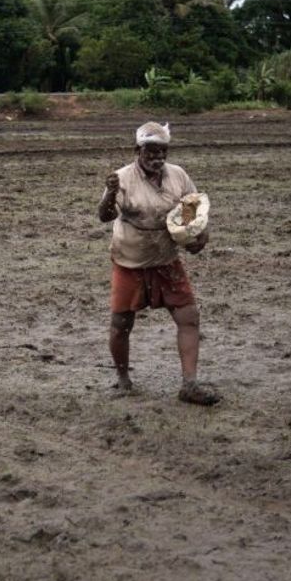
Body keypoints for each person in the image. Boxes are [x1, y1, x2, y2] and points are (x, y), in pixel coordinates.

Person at [97, 122, 219, 406]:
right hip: (131, 260)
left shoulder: (178, 176)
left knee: (189, 317)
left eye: (162, 151)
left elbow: (191, 210)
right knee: (121, 324)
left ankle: (189, 384)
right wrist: (108, 193)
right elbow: (104, 216)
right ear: (137, 150)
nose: (157, 157)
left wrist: (198, 236)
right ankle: (123, 379)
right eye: (151, 151)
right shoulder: (121, 179)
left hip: (166, 258)